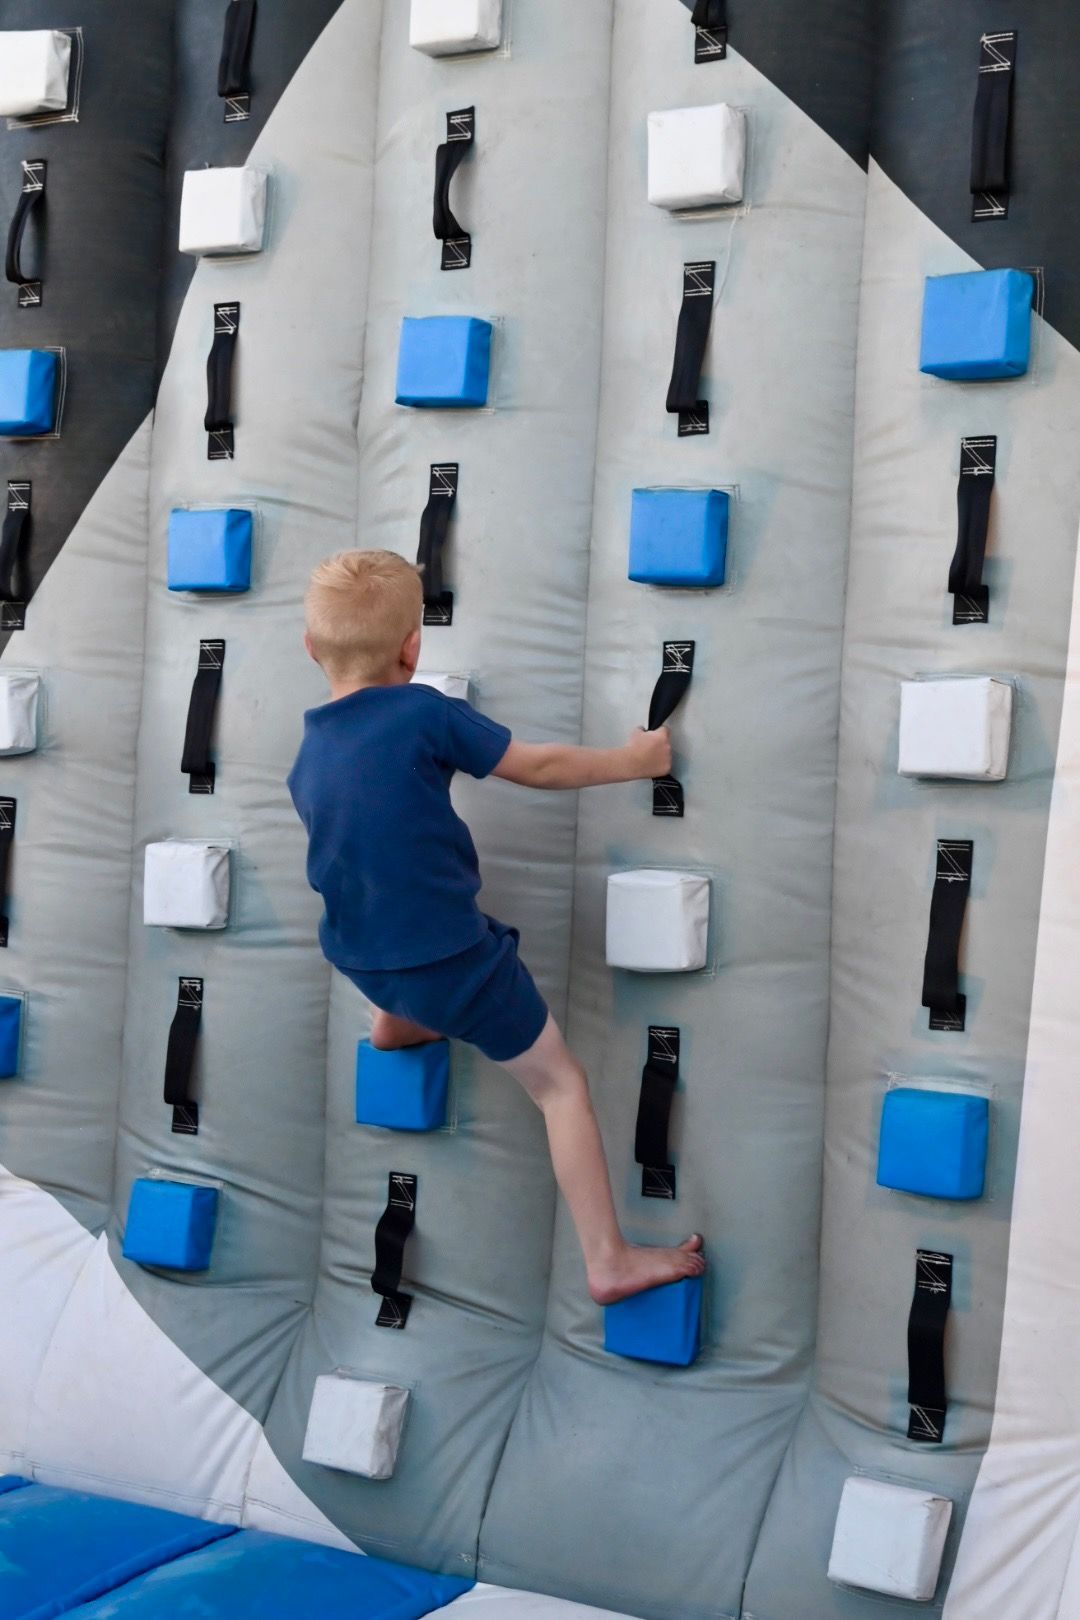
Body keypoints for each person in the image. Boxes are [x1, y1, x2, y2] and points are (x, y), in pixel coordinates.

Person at [288, 549, 705, 1305]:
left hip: (358, 953)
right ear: (413, 649)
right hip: (454, 962)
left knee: (401, 952)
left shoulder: (309, 750)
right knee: (561, 1086)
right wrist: (635, 760)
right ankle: (609, 1259)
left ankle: (397, 1027)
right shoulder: (424, 712)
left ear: (311, 647)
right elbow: (537, 768)